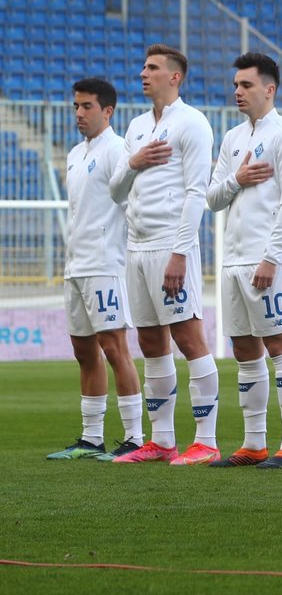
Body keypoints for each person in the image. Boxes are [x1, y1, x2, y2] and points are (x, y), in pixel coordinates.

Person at [109, 44, 219, 465]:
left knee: (188, 338)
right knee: (150, 342)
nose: (143, 73)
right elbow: (116, 189)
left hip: (170, 246)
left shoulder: (193, 123)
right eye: (143, 66)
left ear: (175, 76)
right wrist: (134, 162)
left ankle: (206, 441)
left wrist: (180, 253)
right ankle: (162, 440)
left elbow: (196, 193)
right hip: (136, 248)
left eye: (152, 67)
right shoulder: (137, 126)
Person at [205, 53, 282, 468]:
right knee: (245, 351)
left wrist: (272, 257)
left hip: (268, 261)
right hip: (233, 261)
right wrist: (237, 179)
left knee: (280, 347)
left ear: (270, 89)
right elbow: (213, 198)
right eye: (235, 85)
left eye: (246, 85)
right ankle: (254, 444)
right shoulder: (232, 138)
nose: (237, 91)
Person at [47, 78, 144, 461]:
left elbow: (131, 206)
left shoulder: (117, 150)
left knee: (115, 348)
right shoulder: (75, 154)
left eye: (86, 106)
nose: (79, 113)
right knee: (83, 351)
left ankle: (134, 437)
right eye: (76, 106)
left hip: (105, 265)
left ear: (107, 111)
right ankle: (91, 438)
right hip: (76, 266)